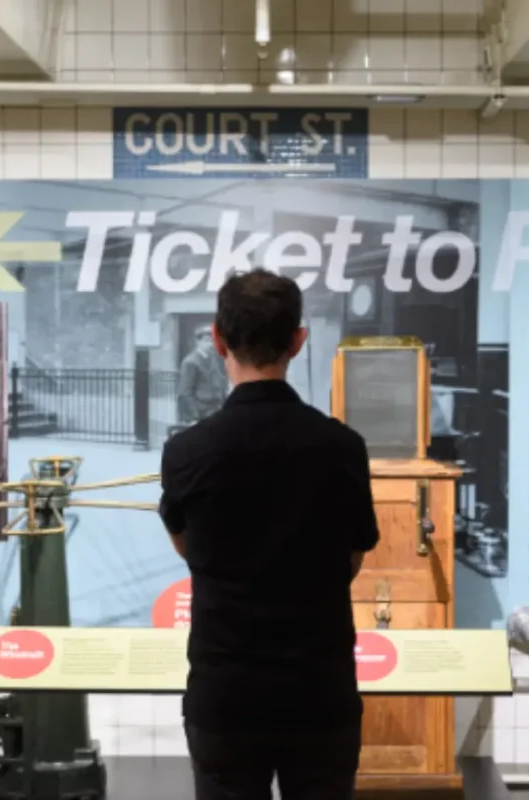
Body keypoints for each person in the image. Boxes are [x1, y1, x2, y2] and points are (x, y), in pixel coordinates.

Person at [158, 269, 380, 800]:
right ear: (298, 342)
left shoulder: (186, 452)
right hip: (320, 692)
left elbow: (188, 548)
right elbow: (352, 559)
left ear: (217, 338)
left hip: (225, 695)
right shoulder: (343, 447)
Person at [176, 323, 229, 423]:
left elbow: (219, 383)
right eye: (207, 341)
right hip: (202, 413)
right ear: (198, 342)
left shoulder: (212, 359)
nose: (211, 345)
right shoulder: (191, 362)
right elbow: (185, 393)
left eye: (213, 341)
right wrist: (195, 416)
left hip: (216, 410)